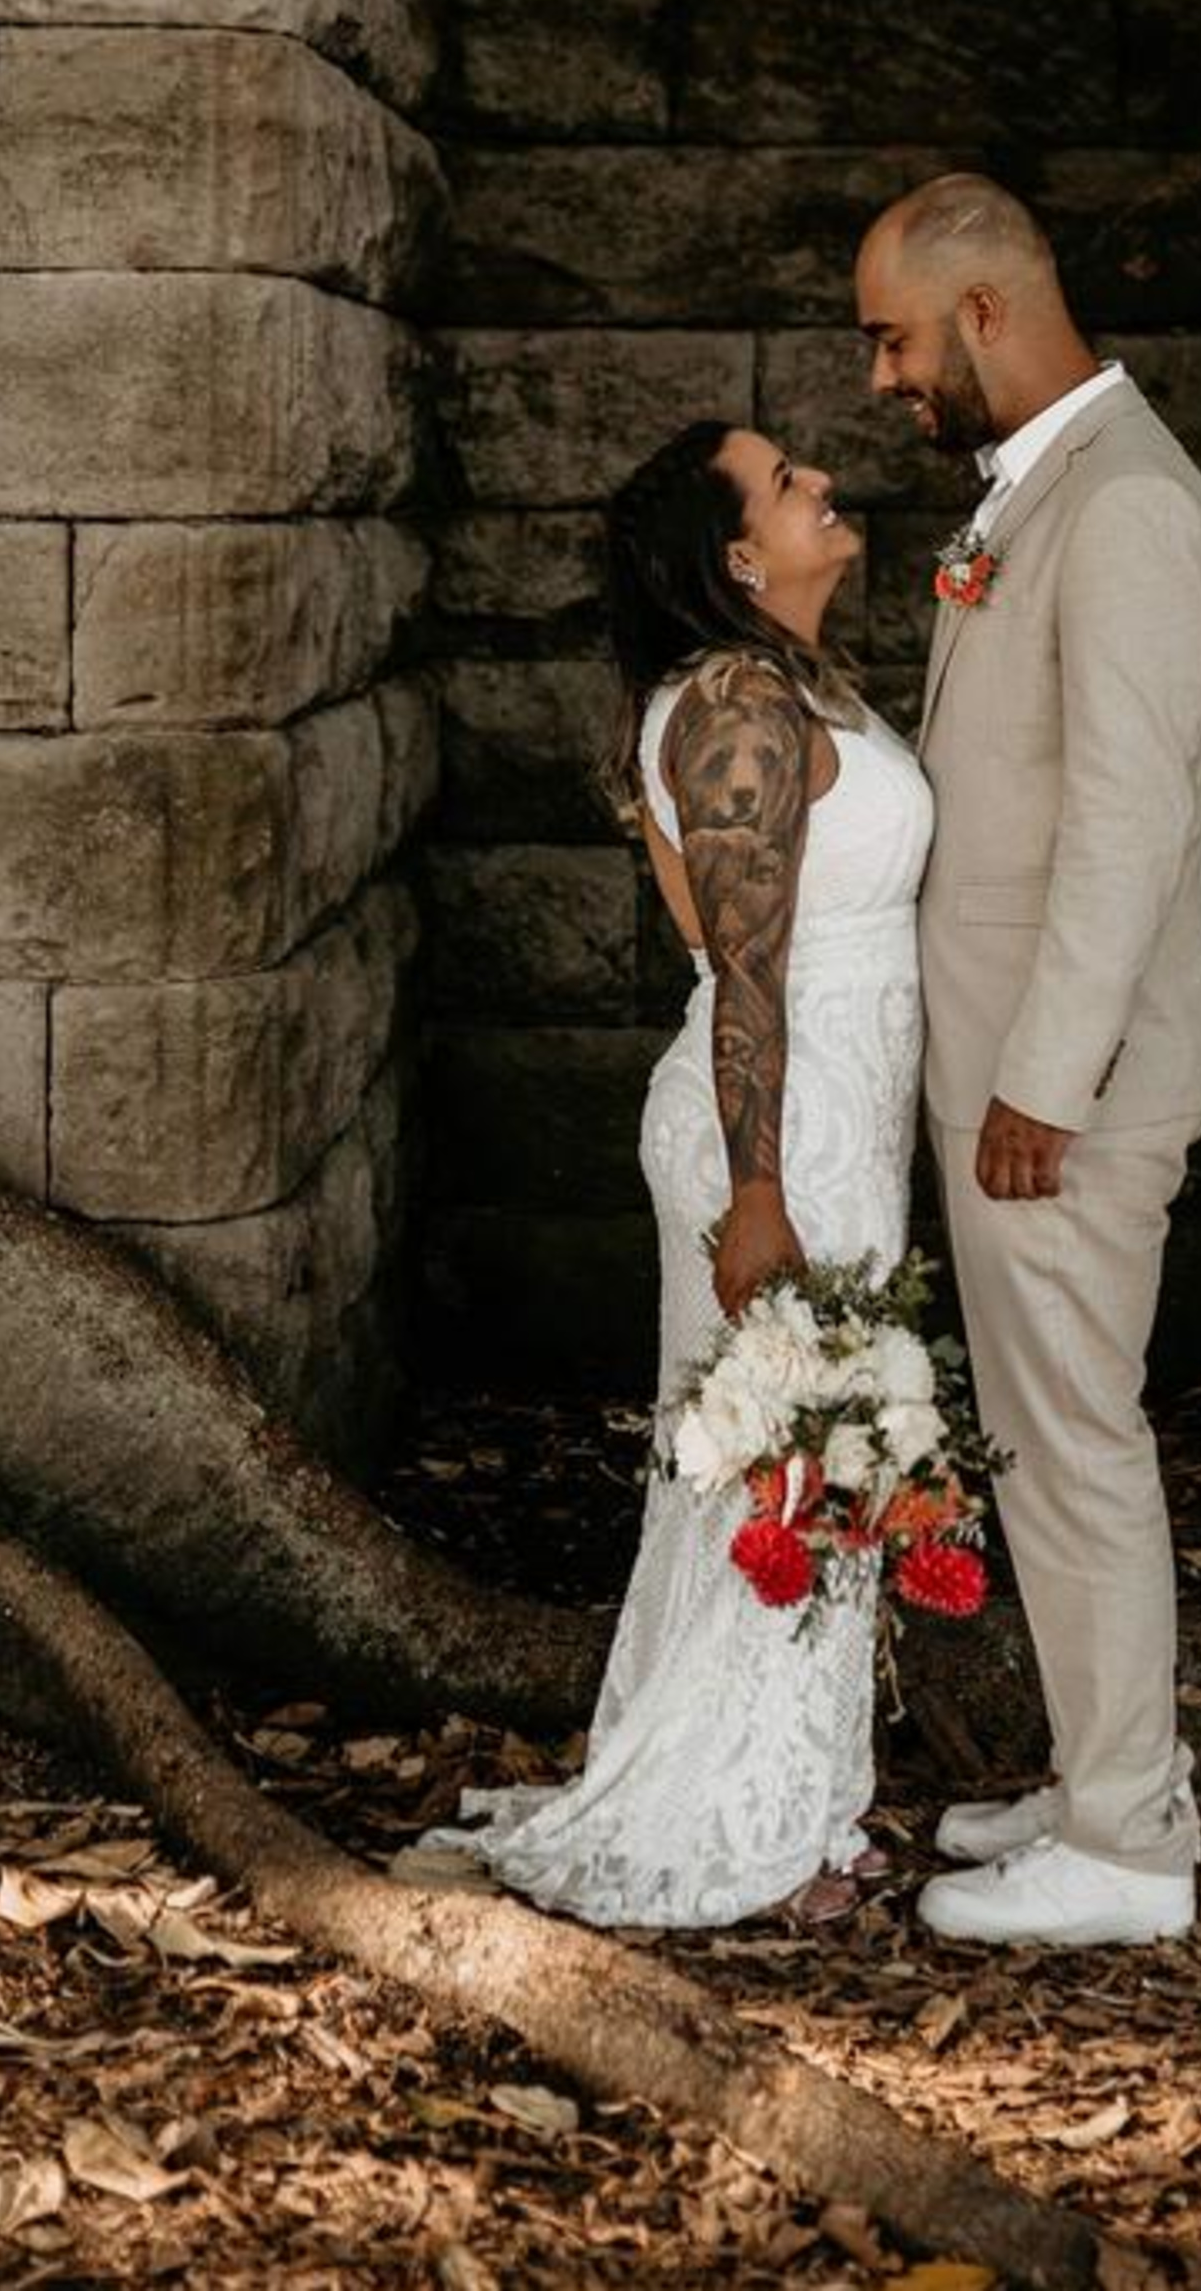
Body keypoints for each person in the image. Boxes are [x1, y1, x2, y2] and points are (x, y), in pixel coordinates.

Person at [416, 420, 932, 1929]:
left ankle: (793, 1792)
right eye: (787, 481)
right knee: (788, 1458)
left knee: (790, 1455)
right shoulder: (733, 705)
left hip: (824, 1109)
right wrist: (760, 1187)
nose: (823, 480)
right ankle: (751, 1822)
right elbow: (748, 964)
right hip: (777, 1122)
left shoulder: (782, 685)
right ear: (735, 554)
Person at [855, 176, 1201, 1950]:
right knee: (1039, 1431)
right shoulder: (1048, 490)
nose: (882, 377)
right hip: (1013, 1063)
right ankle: (1097, 1780)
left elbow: (1128, 828)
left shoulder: (1135, 505)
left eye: (895, 337)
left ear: (988, 313)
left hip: (1060, 1081)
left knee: (1075, 1437)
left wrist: (1046, 1081)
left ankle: (1135, 1846)